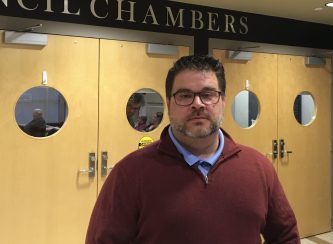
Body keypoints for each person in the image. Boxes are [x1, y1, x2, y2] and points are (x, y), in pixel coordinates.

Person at [86, 55, 300, 244]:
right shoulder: (129, 174)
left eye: (208, 94)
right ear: (169, 104)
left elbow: (285, 236)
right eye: (185, 95)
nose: (198, 104)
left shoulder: (258, 167)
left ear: (223, 101)